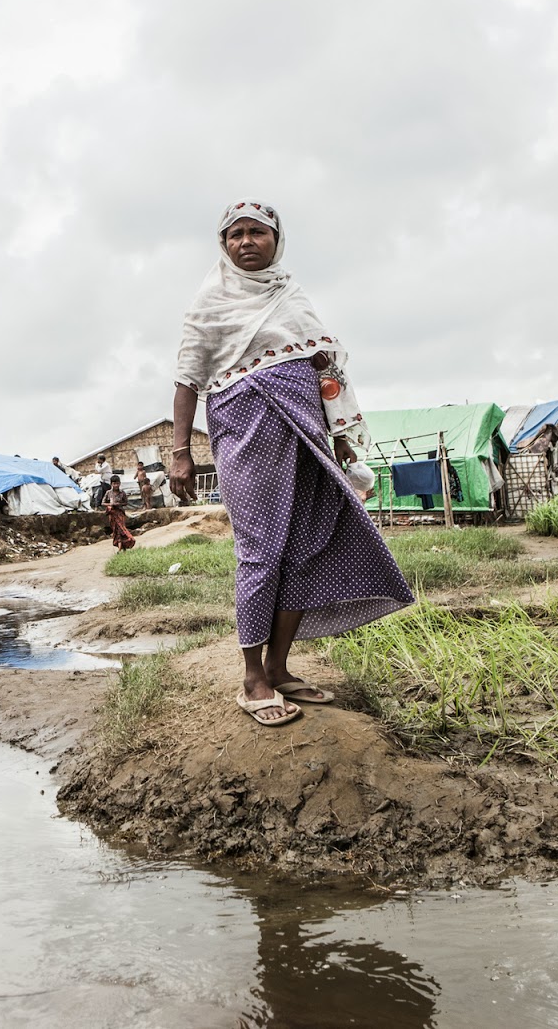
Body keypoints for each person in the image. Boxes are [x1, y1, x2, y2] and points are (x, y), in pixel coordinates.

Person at [169, 198, 413, 727]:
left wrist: (342, 436)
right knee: (261, 551)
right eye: (235, 235)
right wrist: (182, 451)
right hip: (246, 428)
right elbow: (188, 378)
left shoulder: (290, 295)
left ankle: (279, 668)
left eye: (258, 233)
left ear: (277, 240)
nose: (246, 242)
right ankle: (252, 678)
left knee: (304, 546)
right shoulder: (209, 302)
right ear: (223, 245)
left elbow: (324, 368)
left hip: (307, 431)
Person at [103, 476, 136, 550]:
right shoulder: (108, 493)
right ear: (111, 484)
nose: (116, 485)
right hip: (112, 514)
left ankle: (122, 546)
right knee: (116, 530)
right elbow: (103, 503)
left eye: (117, 483)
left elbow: (126, 502)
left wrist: (118, 504)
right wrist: (110, 505)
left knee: (121, 530)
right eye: (114, 484)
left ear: (120, 483)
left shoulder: (122, 493)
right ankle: (120, 546)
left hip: (120, 514)